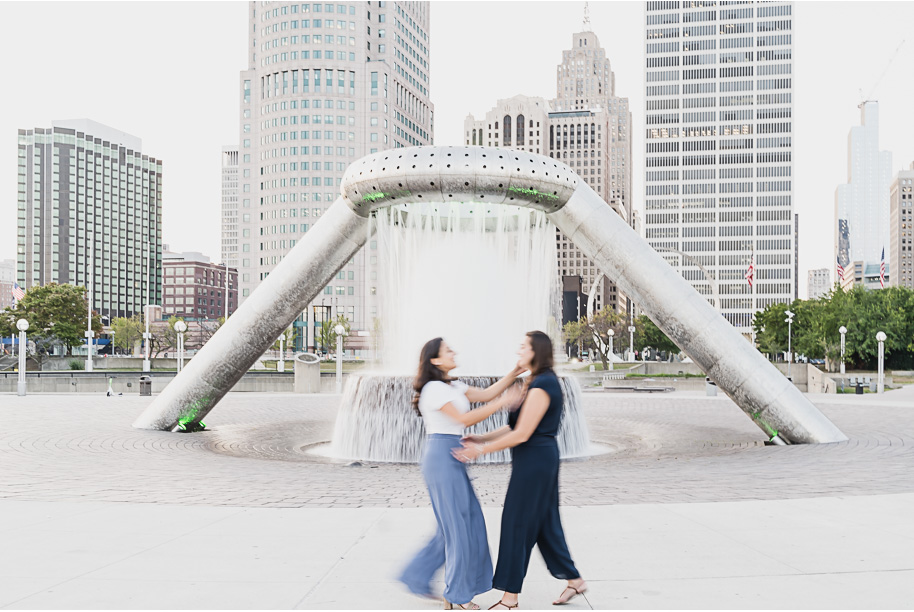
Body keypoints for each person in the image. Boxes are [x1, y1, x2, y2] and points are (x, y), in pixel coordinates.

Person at [455, 331, 587, 609]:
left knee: (517, 523)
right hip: (535, 460)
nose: (518, 350)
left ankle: (510, 597)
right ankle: (575, 580)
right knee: (545, 524)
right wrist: (481, 438)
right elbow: (513, 428)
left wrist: (479, 451)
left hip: (536, 462)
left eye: (523, 347)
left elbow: (522, 434)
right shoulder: (535, 382)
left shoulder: (542, 385)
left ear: (536, 351)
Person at [399, 337, 525, 611]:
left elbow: (487, 394)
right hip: (441, 456)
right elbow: (464, 419)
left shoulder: (452, 385)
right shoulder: (433, 389)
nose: (454, 352)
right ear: (435, 360)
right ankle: (455, 593)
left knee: (465, 525)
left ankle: (420, 577)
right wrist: (506, 402)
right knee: (458, 529)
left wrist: (513, 374)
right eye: (448, 350)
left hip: (452, 454)